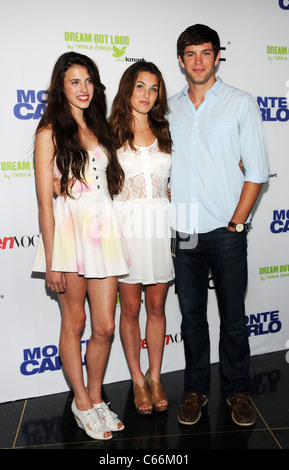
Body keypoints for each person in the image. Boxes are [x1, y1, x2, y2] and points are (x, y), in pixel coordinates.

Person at [167, 24, 269, 427]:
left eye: (206, 53)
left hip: (228, 232)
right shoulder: (168, 107)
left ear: (217, 56)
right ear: (180, 60)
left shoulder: (241, 103)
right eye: (190, 54)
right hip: (186, 230)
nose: (198, 61)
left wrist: (237, 223)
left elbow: (257, 171)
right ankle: (195, 390)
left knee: (233, 318)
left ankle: (238, 391)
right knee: (191, 318)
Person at [32, 52, 129, 440]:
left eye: (88, 80)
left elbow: (107, 184)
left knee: (104, 326)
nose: (84, 88)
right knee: (75, 323)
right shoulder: (48, 132)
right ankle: (82, 402)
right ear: (61, 87)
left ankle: (94, 395)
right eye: (75, 81)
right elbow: (44, 204)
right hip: (70, 237)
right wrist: (54, 259)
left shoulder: (100, 126)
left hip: (102, 232)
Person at [109, 61, 174, 414]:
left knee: (157, 307)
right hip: (126, 230)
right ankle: (137, 379)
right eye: (140, 87)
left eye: (153, 88)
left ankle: (156, 375)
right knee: (130, 309)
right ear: (128, 90)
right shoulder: (109, 132)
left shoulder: (167, 130)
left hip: (160, 229)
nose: (147, 95)